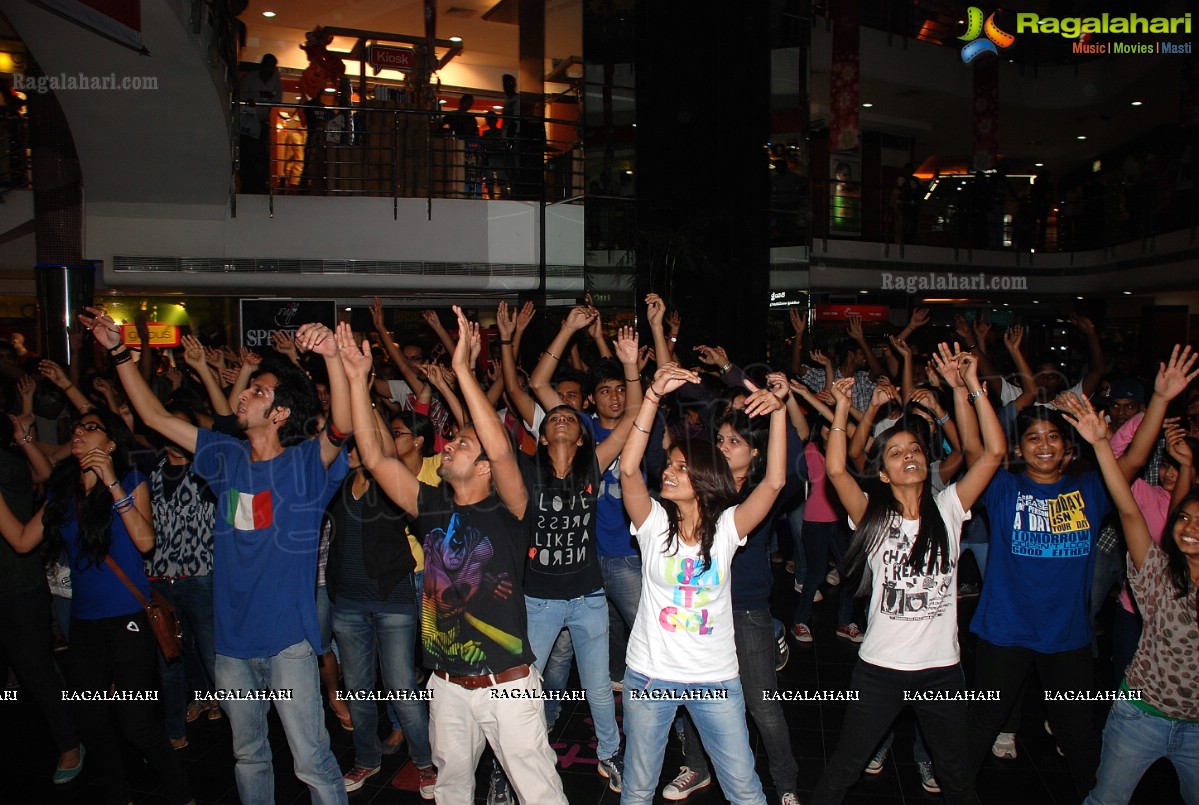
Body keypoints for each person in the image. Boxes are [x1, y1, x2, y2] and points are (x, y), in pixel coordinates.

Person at [85, 307, 352, 805]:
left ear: (280, 414)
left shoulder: (304, 466)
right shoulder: (224, 456)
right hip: (231, 643)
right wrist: (118, 350)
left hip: (289, 641)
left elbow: (340, 426)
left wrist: (333, 358)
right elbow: (154, 417)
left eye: (259, 391)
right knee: (248, 756)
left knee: (311, 759)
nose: (245, 394)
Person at [339, 311, 568, 805]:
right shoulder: (431, 504)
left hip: (505, 685)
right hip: (445, 685)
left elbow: (504, 452)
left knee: (540, 794)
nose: (449, 447)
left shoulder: (510, 507)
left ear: (484, 466)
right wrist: (358, 381)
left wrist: (463, 370)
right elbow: (376, 459)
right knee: (452, 792)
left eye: (462, 444)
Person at [963, 346, 1197, 798]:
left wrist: (1162, 400)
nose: (1044, 445)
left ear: (1069, 449)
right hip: (1003, 632)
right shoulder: (1002, 487)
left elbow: (1130, 461)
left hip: (1066, 638)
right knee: (981, 726)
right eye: (1033, 439)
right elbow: (977, 448)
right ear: (1017, 448)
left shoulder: (1090, 489)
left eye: (1053, 438)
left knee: (1078, 736)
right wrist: (971, 389)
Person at [810, 342, 1005, 805]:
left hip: (943, 673)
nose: (908, 456)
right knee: (844, 768)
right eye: (895, 453)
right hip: (879, 670)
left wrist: (970, 386)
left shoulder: (949, 508)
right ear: (884, 474)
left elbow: (994, 453)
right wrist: (840, 406)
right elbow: (836, 468)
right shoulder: (873, 517)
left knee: (957, 775)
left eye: (914, 448)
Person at [0, 408, 193, 805]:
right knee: (90, 718)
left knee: (136, 724)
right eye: (75, 428)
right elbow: (21, 540)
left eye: (91, 428)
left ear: (110, 443)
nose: (79, 434)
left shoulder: (130, 480)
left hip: (128, 619)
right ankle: (117, 793)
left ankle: (182, 795)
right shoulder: (62, 492)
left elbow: (145, 543)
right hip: (85, 623)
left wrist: (111, 483)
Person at [618, 361, 789, 805]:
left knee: (745, 789)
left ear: (705, 479)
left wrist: (780, 411)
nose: (669, 473)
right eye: (670, 465)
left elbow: (773, 482)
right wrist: (652, 396)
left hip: (714, 680)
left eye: (681, 467)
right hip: (650, 676)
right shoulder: (653, 523)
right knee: (637, 788)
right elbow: (629, 470)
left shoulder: (730, 526)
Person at [672, 383, 805, 805]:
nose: (725, 447)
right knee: (695, 692)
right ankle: (697, 766)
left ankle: (786, 784)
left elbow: (793, 470)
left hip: (745, 609)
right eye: (721, 439)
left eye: (735, 441)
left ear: (757, 453)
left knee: (762, 705)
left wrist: (781, 409)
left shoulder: (759, 494)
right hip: (701, 608)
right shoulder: (703, 485)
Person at [238, 53, 282, 194]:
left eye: (272, 68)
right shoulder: (250, 78)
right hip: (248, 121)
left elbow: (277, 99)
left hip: (262, 121)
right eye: (268, 67)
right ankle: (248, 184)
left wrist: (265, 99)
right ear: (263, 66)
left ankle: (260, 184)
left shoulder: (275, 80)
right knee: (248, 153)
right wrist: (256, 98)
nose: (270, 71)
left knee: (261, 154)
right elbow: (241, 95)